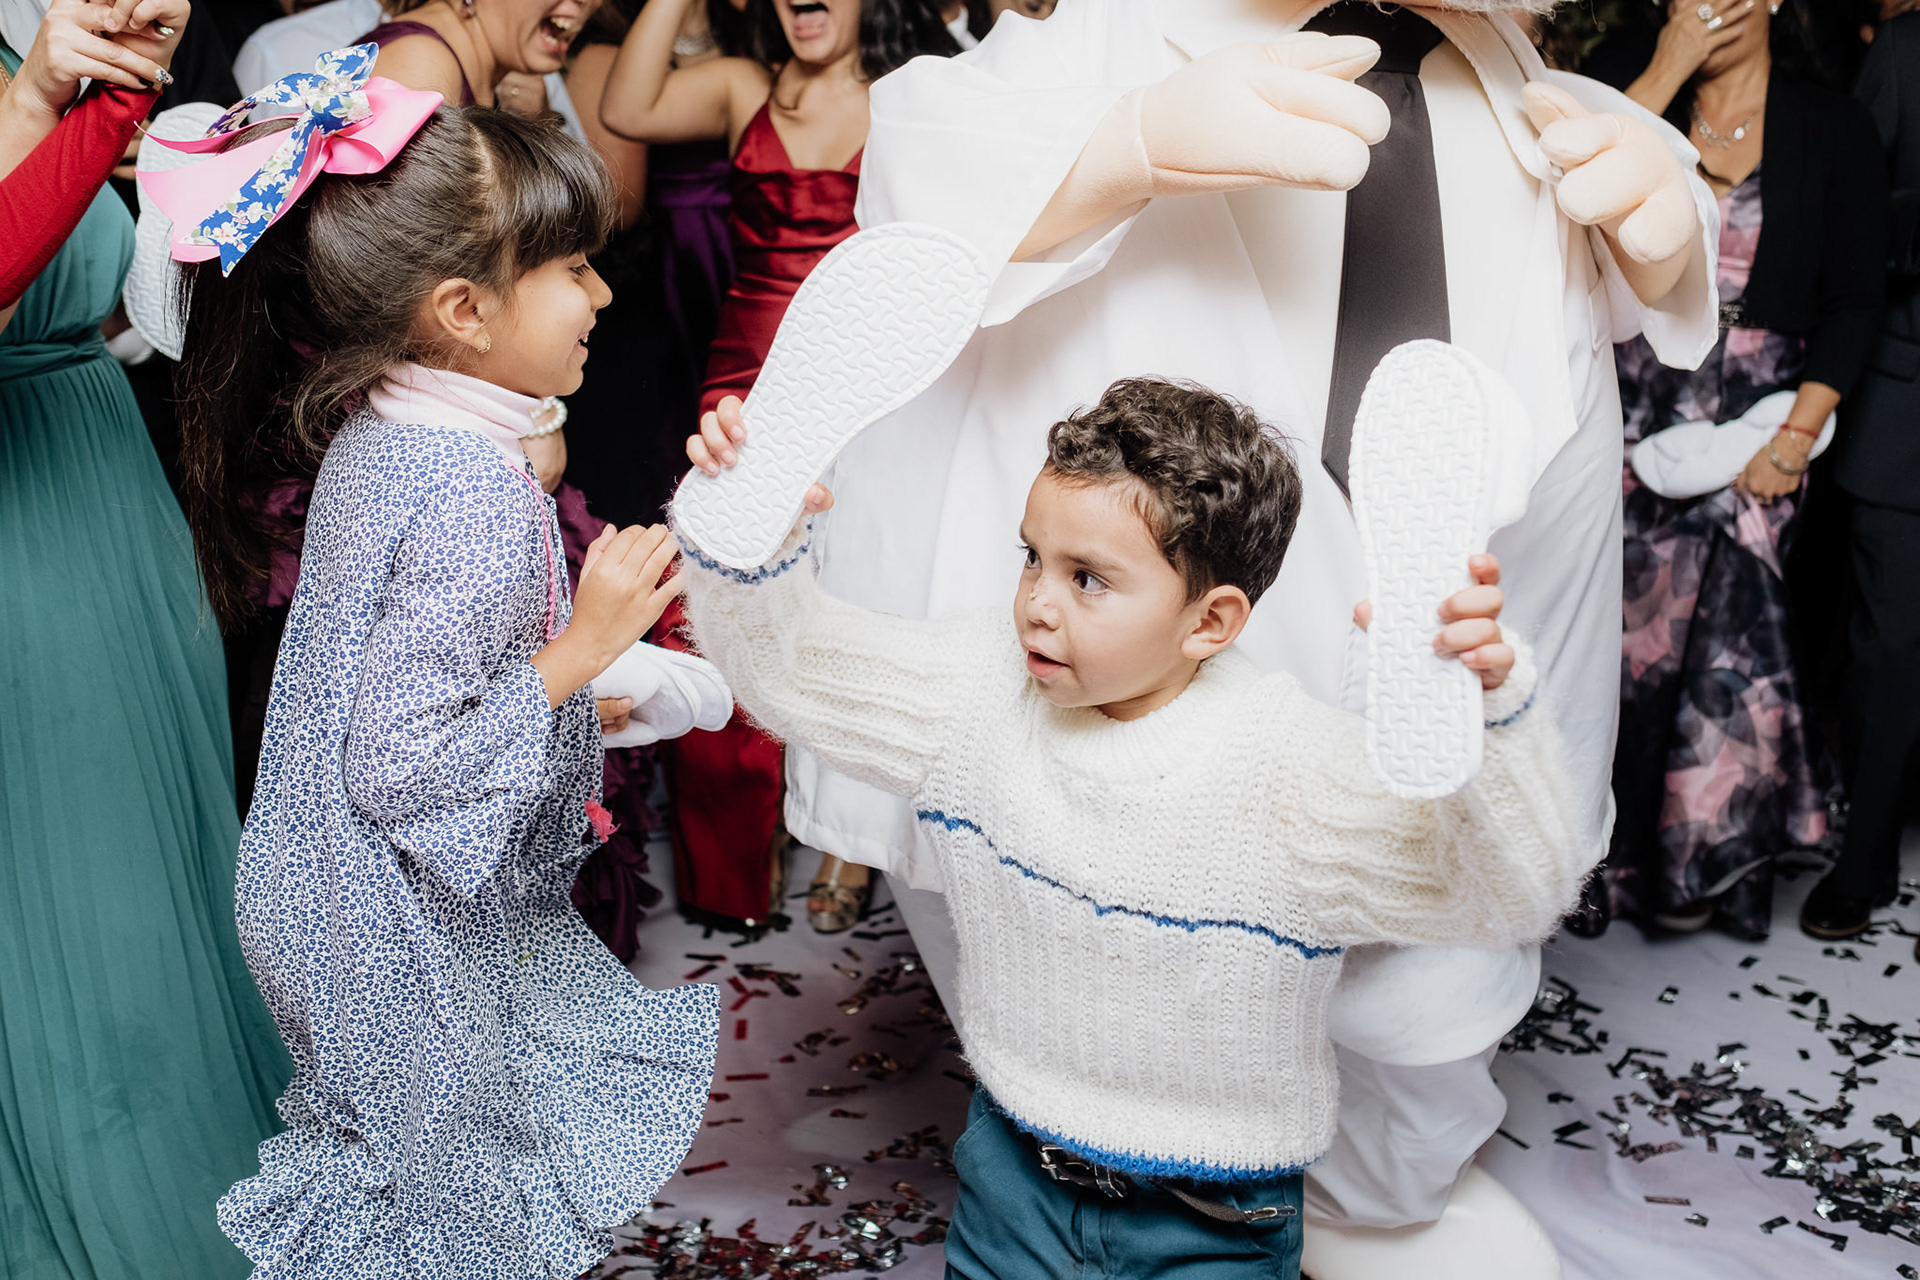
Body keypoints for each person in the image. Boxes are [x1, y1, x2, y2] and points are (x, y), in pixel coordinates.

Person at [792, 1, 1718, 1262]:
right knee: (1138, 905)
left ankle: (1389, 1174)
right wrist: (1120, 148)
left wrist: (1667, 230)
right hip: (1169, 650)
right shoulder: (1117, 37)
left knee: (1443, 917)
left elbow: (1609, 280)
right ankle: (1131, 1161)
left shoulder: (1502, 74)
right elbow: (927, 177)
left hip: (1454, 609)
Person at [679, 377, 1583, 1280]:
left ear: (1210, 621)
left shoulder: (1288, 772)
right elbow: (789, 669)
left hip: (1210, 1223)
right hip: (1014, 1184)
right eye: (1032, 558)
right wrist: (747, 531)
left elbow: (1508, 896)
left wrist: (1494, 718)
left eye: (1087, 579)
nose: (1038, 603)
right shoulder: (975, 693)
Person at [152, 80, 718, 1273]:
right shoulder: (471, 493)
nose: (603, 294)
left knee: (411, 1186)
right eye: (574, 267)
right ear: (462, 309)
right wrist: (584, 645)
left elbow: (415, 680)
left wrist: (583, 695)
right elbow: (402, 762)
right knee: (446, 1206)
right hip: (386, 929)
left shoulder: (383, 430)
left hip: (318, 894)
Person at [0, 2, 294, 1277]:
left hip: (102, 469)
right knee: (79, 882)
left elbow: (96, 305)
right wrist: (47, 107)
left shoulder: (39, 48)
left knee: (164, 861)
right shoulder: (33, 73)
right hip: (24, 526)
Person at [601, 0, 957, 932]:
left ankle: (851, 843)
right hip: (743, 381)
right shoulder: (741, 85)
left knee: (863, 592)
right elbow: (628, 109)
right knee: (722, 603)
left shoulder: (913, 91)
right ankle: (732, 863)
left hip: (870, 381)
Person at [1587, 0, 1887, 938]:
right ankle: (1598, 864)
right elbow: (1567, 209)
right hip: (1629, 407)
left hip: (1760, 419)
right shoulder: (1629, 85)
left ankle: (1704, 868)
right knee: (1623, 650)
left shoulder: (1829, 124)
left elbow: (1856, 299)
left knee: (1731, 640)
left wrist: (1794, 438)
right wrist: (1666, 70)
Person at [1809, 1, 1920, 944]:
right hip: (1909, 405)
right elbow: (1850, 218)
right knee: (1889, 649)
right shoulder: (1908, 49)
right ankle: (1864, 860)